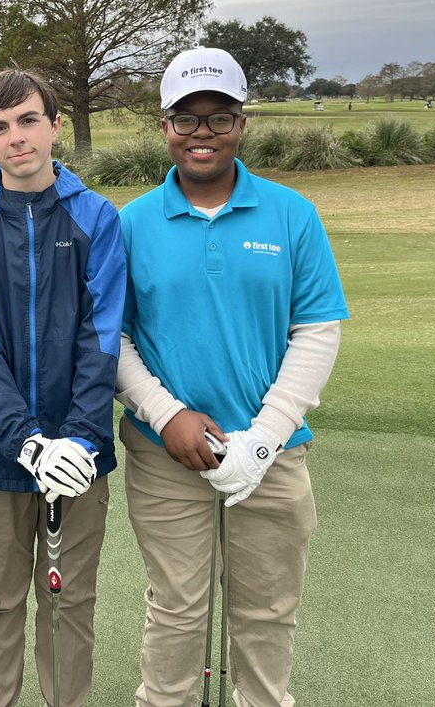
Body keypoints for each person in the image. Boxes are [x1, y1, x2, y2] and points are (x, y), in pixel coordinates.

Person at [115, 47, 347, 707]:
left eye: (219, 119)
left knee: (267, 615)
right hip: (165, 455)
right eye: (186, 120)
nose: (202, 135)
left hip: (273, 455)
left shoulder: (291, 214)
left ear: (242, 124)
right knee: (178, 611)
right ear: (164, 128)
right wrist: (166, 415)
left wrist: (265, 438)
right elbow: (111, 340)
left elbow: (317, 330)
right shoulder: (129, 223)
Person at [0, 69, 126, 707]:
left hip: (82, 456)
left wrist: (75, 439)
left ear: (54, 125)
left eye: (27, 120)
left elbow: (101, 338)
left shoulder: (97, 216)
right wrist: (25, 440)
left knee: (70, 602)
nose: (16, 137)